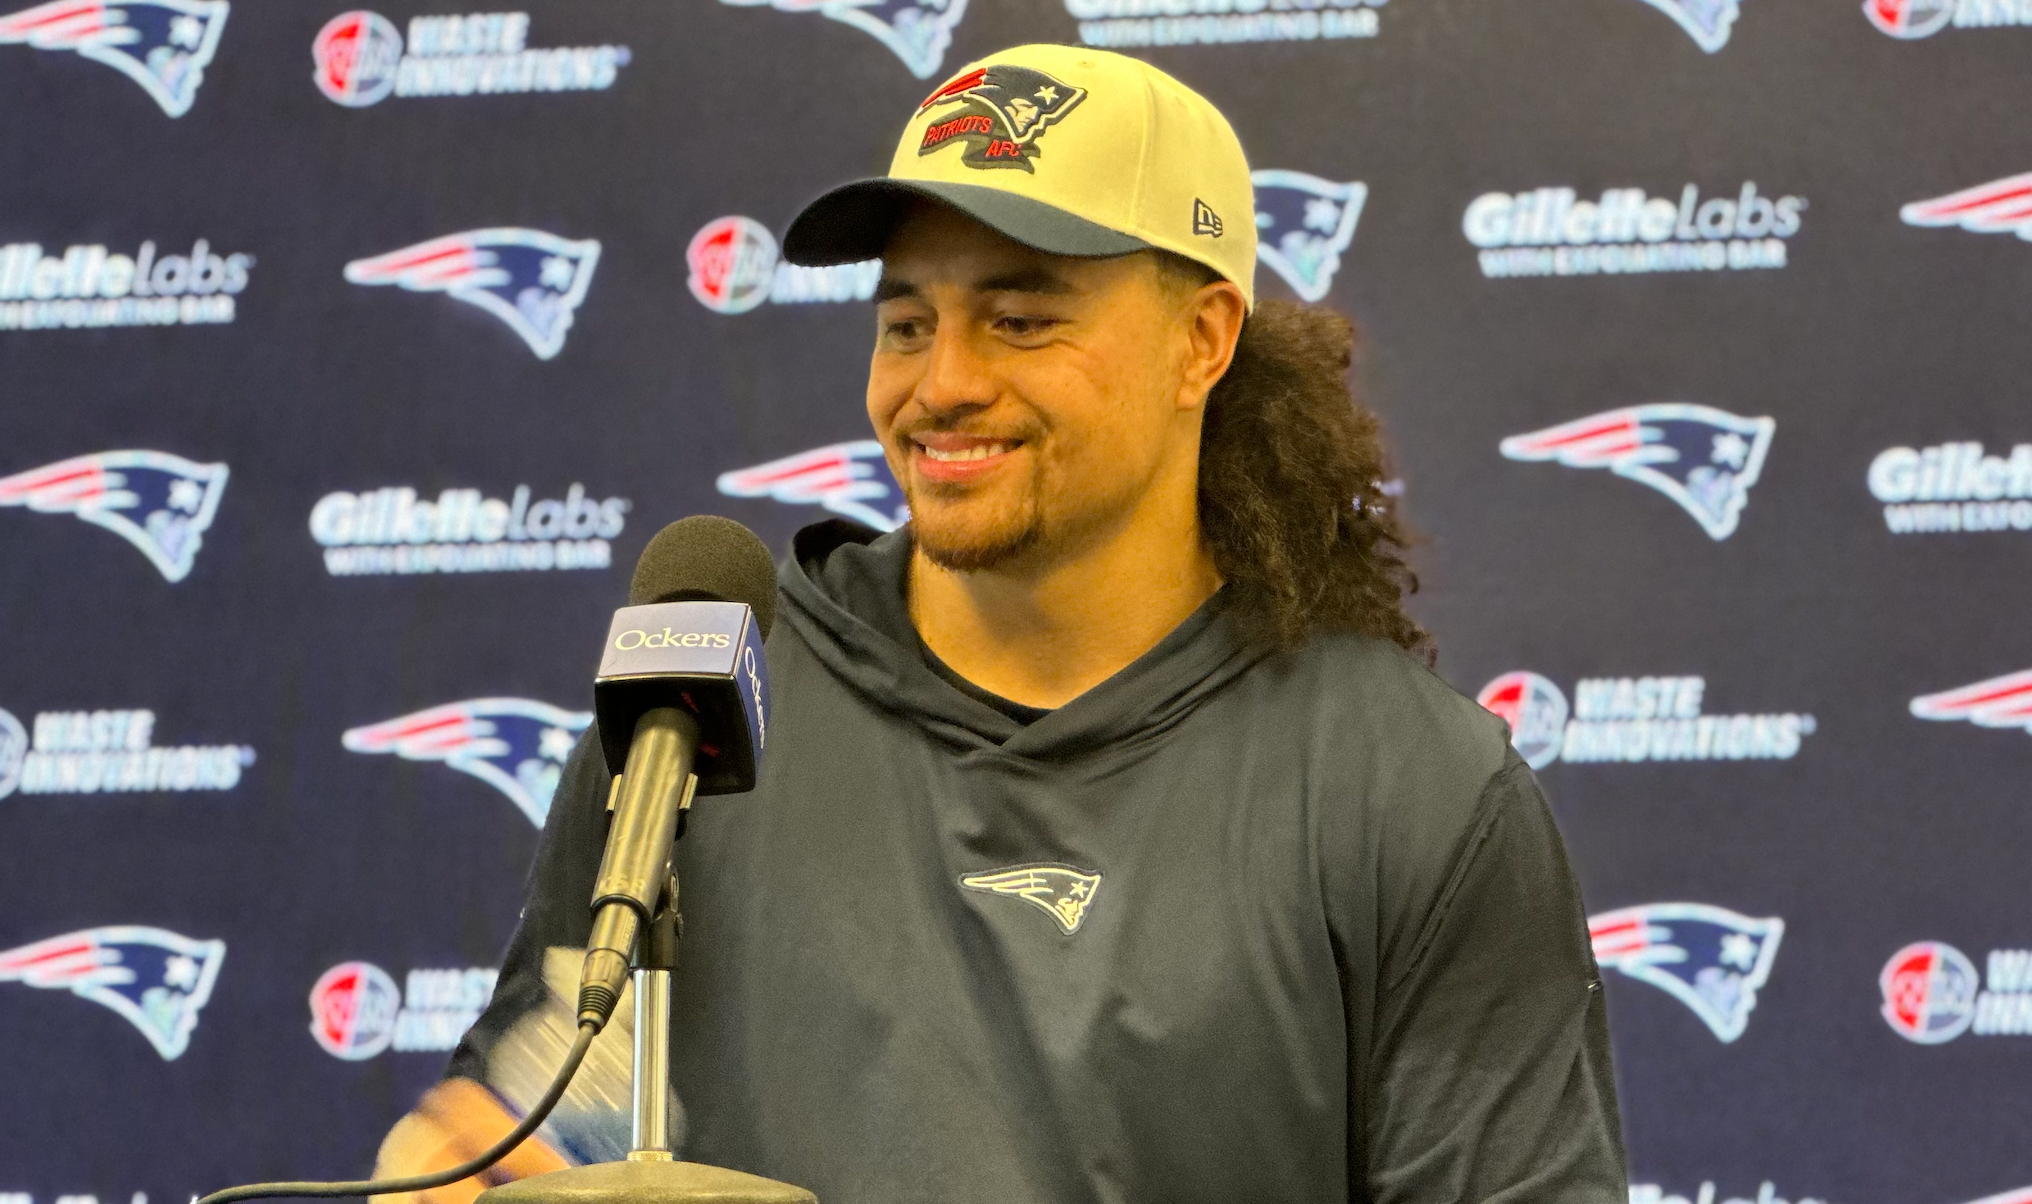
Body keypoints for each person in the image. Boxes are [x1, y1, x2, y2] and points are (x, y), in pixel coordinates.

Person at [375, 43, 1628, 1203]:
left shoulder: (1408, 792)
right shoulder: (690, 721)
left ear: (1201, 340)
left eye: (1021, 319)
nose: (942, 383)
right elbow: (536, 1121)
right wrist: (469, 1159)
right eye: (907, 322)